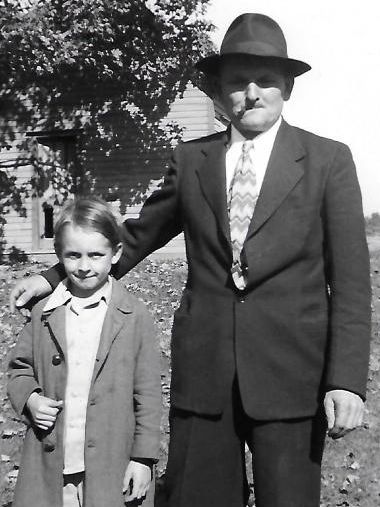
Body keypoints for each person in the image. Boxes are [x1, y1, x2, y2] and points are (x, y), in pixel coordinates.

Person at [10, 13, 371, 507]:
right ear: (219, 91)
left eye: (265, 80)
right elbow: (136, 237)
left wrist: (346, 381)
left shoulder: (328, 160)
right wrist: (54, 276)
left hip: (292, 377)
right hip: (205, 374)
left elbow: (351, 282)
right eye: (237, 81)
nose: (251, 92)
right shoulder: (191, 160)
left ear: (287, 87)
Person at [8, 197, 161, 507]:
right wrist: (30, 399)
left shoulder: (134, 316)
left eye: (95, 255)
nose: (84, 266)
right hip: (51, 464)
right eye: (73, 255)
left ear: (116, 253)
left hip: (111, 467)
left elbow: (148, 394)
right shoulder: (44, 313)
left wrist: (143, 458)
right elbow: (18, 368)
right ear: (59, 255)